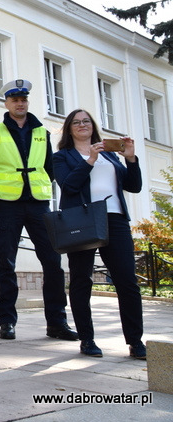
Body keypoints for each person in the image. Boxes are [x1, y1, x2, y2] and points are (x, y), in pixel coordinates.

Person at [0, 79, 77, 341]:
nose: (20, 103)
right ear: (6, 103)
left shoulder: (41, 133)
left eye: (23, 99)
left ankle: (57, 322)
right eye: (15, 99)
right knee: (6, 263)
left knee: (53, 262)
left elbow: (49, 168)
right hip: (7, 204)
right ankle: (7, 322)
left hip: (38, 203)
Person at [53, 109, 145, 359]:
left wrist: (131, 158)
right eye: (76, 122)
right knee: (82, 280)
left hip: (115, 219)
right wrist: (89, 160)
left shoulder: (111, 156)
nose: (82, 125)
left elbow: (134, 186)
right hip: (83, 219)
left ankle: (135, 342)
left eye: (86, 121)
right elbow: (69, 186)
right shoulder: (62, 157)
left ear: (93, 126)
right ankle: (87, 339)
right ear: (69, 129)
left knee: (127, 281)